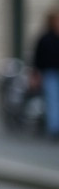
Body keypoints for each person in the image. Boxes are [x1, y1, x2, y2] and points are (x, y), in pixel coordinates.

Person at [33, 8, 59, 139]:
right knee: (53, 101)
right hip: (50, 73)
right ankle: (54, 129)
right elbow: (38, 57)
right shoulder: (45, 38)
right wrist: (36, 74)